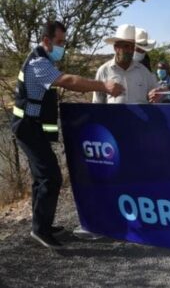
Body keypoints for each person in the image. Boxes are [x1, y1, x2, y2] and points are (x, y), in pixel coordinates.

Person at [11, 21, 124, 248]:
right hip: (27, 127)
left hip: (32, 126)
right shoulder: (38, 63)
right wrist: (103, 86)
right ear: (46, 41)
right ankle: (41, 230)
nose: (63, 46)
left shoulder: (43, 59)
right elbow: (69, 81)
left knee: (41, 177)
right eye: (60, 42)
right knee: (50, 177)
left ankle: (41, 225)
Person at [93, 24, 158, 104]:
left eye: (132, 47)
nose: (130, 50)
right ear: (116, 47)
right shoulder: (104, 71)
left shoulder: (144, 72)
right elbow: (97, 103)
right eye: (126, 46)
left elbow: (155, 98)